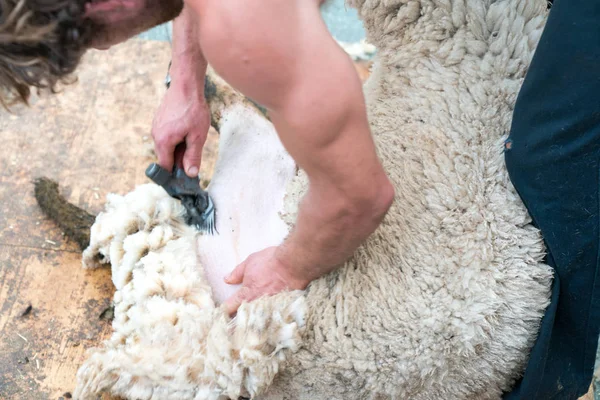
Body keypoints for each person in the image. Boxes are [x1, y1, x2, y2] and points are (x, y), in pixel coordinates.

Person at [0, 0, 597, 398]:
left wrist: (287, 265)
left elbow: (362, 198)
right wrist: (183, 78)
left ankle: (549, 379)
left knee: (550, 151)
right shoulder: (232, 24)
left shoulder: (244, 28)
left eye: (90, 39)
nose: (100, 50)